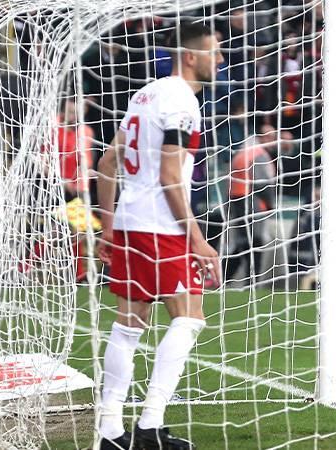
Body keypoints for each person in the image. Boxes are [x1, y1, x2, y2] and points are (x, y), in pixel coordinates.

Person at [96, 22, 223, 450]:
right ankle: (150, 425)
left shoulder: (144, 95)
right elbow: (171, 177)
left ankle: (110, 430)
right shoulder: (182, 102)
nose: (220, 60)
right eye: (214, 52)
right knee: (188, 319)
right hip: (161, 228)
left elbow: (108, 163)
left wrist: (109, 228)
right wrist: (198, 239)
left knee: (129, 326)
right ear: (191, 56)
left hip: (131, 223)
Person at [225, 124, 278, 285]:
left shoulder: (243, 152)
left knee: (242, 243)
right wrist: (271, 204)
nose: (273, 141)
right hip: (252, 202)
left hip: (237, 201)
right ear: (262, 137)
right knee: (254, 243)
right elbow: (262, 184)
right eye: (270, 137)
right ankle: (251, 281)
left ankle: (223, 277)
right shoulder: (258, 154)